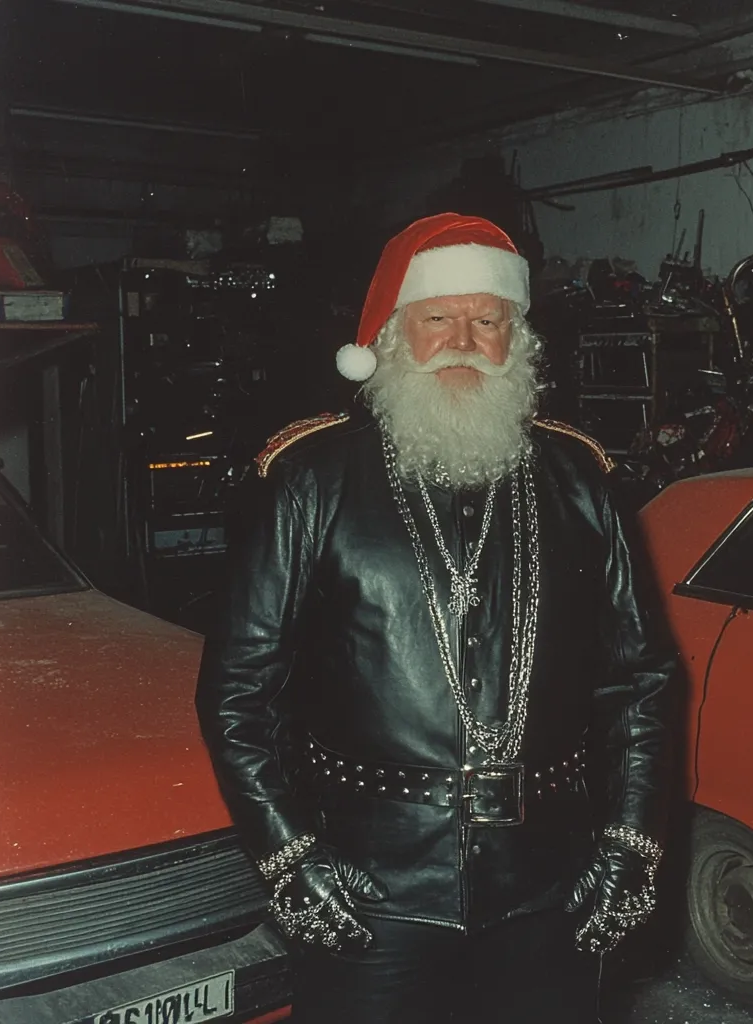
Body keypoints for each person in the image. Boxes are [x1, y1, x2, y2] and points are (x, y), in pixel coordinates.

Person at [195, 213, 679, 1024]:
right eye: (437, 318)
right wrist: (286, 853)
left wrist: (633, 842)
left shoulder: (580, 480)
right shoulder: (311, 481)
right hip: (369, 894)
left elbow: (644, 682)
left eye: (488, 320)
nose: (463, 340)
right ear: (391, 336)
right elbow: (238, 692)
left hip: (549, 889)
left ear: (516, 339)